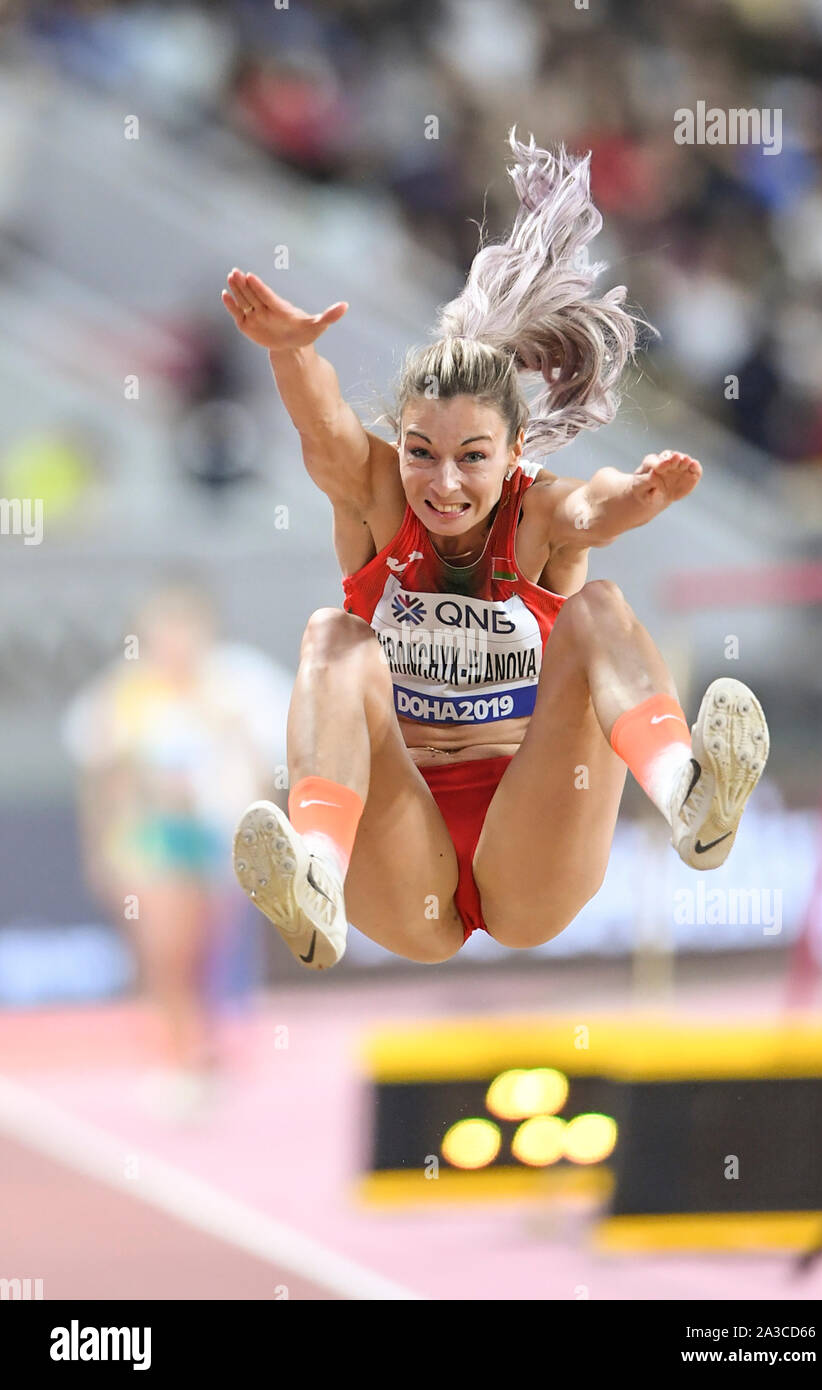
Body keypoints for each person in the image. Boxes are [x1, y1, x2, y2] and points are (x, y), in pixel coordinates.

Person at [221, 129, 769, 972]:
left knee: (597, 608)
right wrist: (293, 350)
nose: (442, 484)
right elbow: (325, 427)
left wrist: (643, 494)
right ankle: (315, 877)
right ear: (398, 444)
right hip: (402, 865)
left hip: (530, 848)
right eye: (419, 452)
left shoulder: (539, 513)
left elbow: (594, 507)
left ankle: (688, 799)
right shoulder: (375, 501)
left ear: (514, 455)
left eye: (472, 457)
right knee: (334, 635)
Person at [62, 576, 293, 1114]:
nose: (176, 644)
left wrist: (267, 839)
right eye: (163, 633)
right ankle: (178, 1056)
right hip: (154, 839)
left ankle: (203, 1048)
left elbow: (269, 771)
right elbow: (102, 782)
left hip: (218, 836)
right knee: (166, 951)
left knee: (208, 954)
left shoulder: (240, 685)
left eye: (186, 631)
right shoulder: (123, 696)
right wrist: (100, 850)